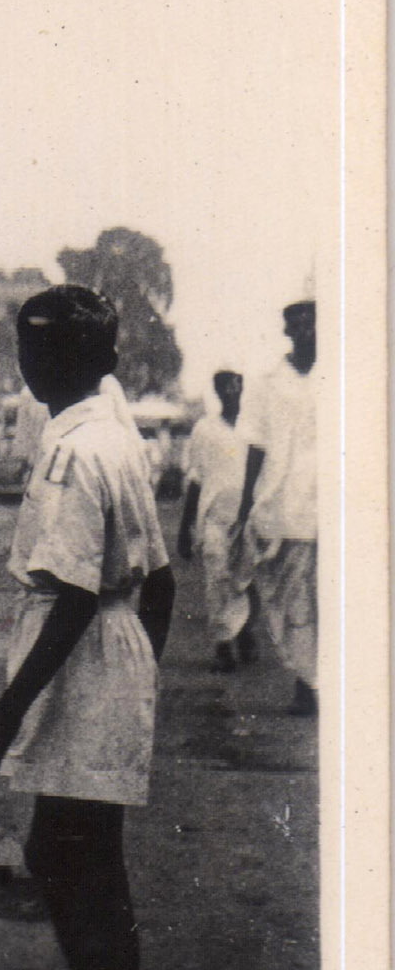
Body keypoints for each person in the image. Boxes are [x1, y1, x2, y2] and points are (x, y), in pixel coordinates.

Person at [0, 286, 174, 970]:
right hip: (105, 661)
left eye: (33, 350)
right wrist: (141, 670)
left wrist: (7, 712)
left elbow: (76, 595)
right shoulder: (111, 435)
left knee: (78, 867)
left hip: (82, 658)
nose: (24, 362)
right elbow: (160, 579)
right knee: (77, 861)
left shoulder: (80, 450)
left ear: (66, 358)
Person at [231, 298, 318, 716]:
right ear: (286, 330)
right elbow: (256, 447)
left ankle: (315, 682)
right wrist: (245, 505)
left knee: (327, 596)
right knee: (291, 599)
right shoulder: (268, 382)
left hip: (332, 506)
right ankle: (306, 675)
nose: (305, 331)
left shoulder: (345, 374)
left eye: (313, 322)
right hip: (284, 507)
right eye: (296, 324)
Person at [177, 370, 255, 673]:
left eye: (236, 383)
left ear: (242, 387)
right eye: (224, 386)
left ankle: (243, 630)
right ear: (217, 391)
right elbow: (196, 478)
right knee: (216, 578)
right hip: (214, 518)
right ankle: (224, 645)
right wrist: (185, 528)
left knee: (243, 579)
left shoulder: (253, 429)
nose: (230, 390)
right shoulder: (204, 429)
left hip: (248, 517)